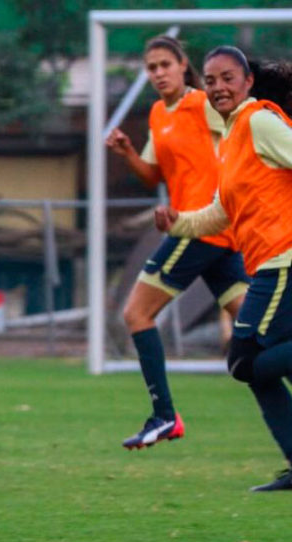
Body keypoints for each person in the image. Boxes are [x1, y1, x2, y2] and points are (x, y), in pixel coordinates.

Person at [155, 46, 292, 491]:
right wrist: (179, 221)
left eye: (228, 78)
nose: (218, 87)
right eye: (210, 80)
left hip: (283, 261)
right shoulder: (233, 137)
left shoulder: (259, 121)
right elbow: (220, 212)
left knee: (244, 360)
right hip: (269, 265)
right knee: (251, 367)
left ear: (248, 81)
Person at [105, 36, 248, 450]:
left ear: (184, 65)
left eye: (165, 64)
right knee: (259, 328)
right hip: (210, 235)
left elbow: (242, 127)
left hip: (200, 229)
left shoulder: (203, 103)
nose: (158, 73)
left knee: (136, 314)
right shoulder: (157, 113)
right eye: (151, 68)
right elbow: (153, 176)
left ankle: (164, 416)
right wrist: (129, 152)